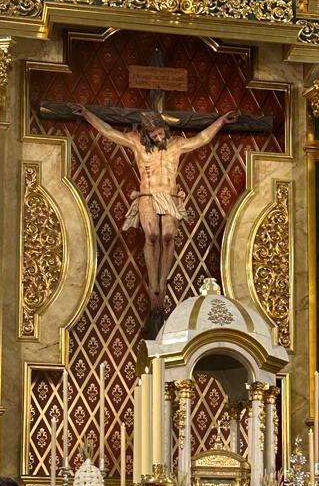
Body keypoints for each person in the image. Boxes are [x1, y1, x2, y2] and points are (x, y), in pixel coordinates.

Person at [71, 103, 238, 335]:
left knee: (168, 236)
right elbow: (109, 132)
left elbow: (201, 139)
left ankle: (162, 280)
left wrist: (220, 122)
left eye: (161, 132)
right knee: (151, 235)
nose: (159, 136)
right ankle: (154, 286)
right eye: (154, 134)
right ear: (146, 134)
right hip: (147, 195)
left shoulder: (176, 145)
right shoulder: (137, 143)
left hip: (169, 196)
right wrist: (88, 115)